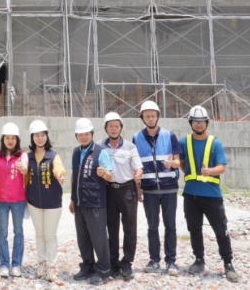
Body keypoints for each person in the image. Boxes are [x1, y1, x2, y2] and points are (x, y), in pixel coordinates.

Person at [178, 106, 239, 283]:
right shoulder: (184, 142)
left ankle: (228, 263)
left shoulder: (215, 143)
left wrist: (210, 171)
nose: (198, 124)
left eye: (202, 121)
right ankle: (199, 260)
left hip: (212, 195)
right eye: (195, 121)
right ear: (191, 123)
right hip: (191, 195)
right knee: (194, 229)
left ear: (207, 122)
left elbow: (222, 167)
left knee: (220, 229)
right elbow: (182, 164)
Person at [132, 100, 181, 276]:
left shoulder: (170, 135)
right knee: (152, 226)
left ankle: (171, 261)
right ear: (143, 118)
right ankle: (154, 260)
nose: (150, 119)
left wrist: (172, 164)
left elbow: (178, 161)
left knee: (171, 226)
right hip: (150, 189)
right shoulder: (136, 138)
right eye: (147, 116)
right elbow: (135, 165)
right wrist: (138, 188)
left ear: (158, 117)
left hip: (169, 188)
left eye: (153, 116)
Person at [69, 118, 113, 286]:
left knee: (99, 238)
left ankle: (103, 270)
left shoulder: (100, 152)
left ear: (92, 134)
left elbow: (110, 175)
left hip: (95, 202)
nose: (83, 137)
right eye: (80, 135)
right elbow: (74, 176)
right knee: (83, 238)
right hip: (79, 203)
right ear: (77, 136)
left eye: (86, 134)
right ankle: (87, 266)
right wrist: (73, 199)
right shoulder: (75, 152)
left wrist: (103, 174)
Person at [100, 112, 143, 281]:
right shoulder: (99, 147)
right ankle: (113, 263)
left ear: (121, 128)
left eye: (116, 126)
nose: (114, 128)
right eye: (110, 126)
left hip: (127, 190)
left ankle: (127, 263)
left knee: (129, 227)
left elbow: (138, 167)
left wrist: (138, 174)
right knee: (112, 228)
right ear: (106, 128)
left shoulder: (130, 147)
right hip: (108, 190)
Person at [24, 120, 66, 282]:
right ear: (32, 138)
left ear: (47, 137)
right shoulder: (28, 157)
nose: (40, 138)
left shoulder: (53, 156)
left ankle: (52, 265)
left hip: (52, 203)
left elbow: (59, 168)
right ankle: (41, 263)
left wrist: (60, 175)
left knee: (50, 235)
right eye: (37, 136)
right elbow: (25, 175)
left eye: (43, 135)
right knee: (39, 234)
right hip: (34, 202)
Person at [0, 122, 27, 279]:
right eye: (7, 138)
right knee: (2, 232)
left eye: (13, 138)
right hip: (2, 200)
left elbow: (26, 171)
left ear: (17, 140)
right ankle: (4, 264)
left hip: (18, 200)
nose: (10, 141)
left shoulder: (22, 155)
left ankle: (16, 264)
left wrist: (23, 169)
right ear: (3, 139)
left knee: (18, 232)